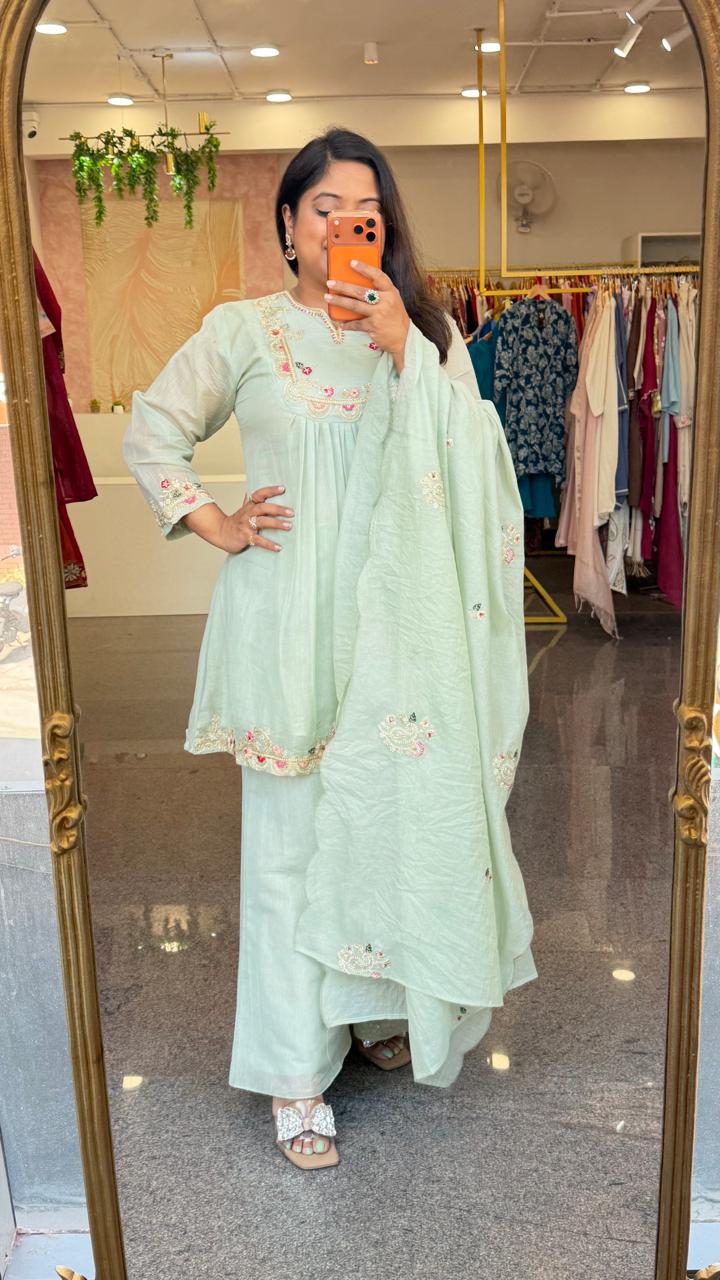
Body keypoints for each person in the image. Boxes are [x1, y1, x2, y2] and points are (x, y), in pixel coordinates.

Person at [123, 127, 537, 1172]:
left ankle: (366, 1008)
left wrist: (404, 349)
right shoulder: (245, 329)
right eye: (325, 209)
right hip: (285, 625)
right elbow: (153, 428)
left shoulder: (422, 338)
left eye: (368, 214)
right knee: (287, 852)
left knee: (386, 821)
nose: (347, 227)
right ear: (288, 224)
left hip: (400, 636)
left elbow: (476, 464)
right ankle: (293, 1072)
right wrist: (212, 520)